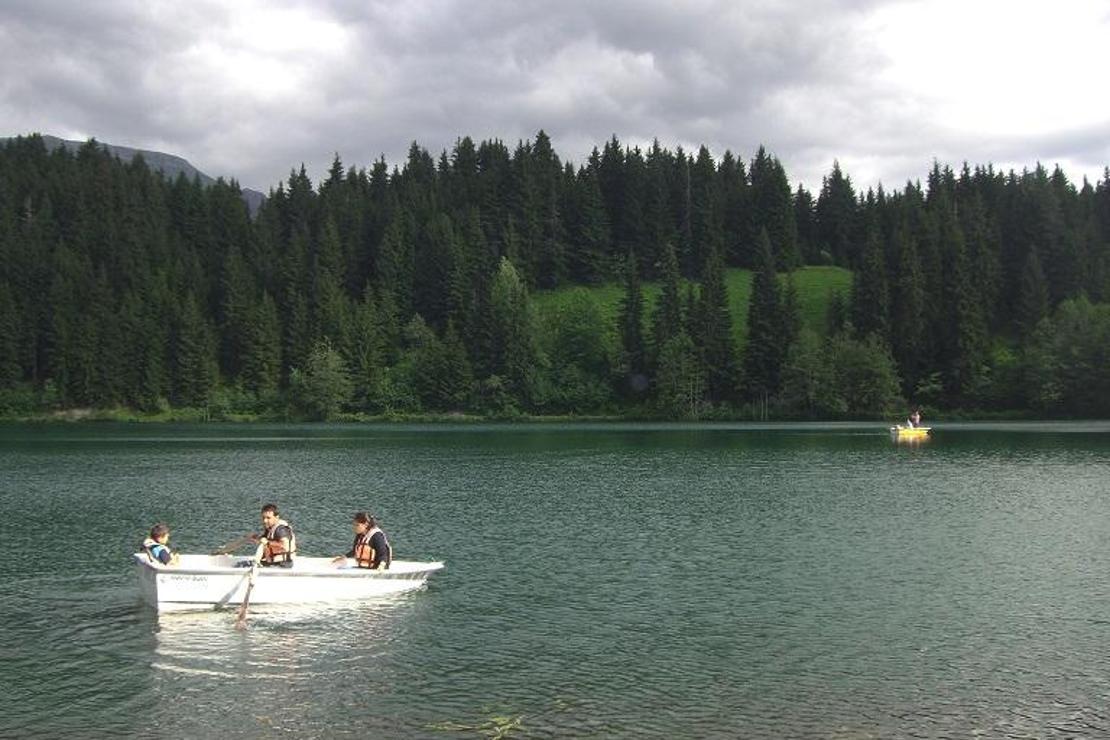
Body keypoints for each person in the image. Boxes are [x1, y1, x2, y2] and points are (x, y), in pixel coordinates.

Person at [250, 503, 297, 567]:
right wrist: (257, 538)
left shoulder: (281, 529)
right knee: (246, 564)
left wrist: (267, 542)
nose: (265, 521)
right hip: (272, 561)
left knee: (247, 565)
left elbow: (285, 547)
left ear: (276, 517)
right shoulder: (270, 527)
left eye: (268, 518)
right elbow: (265, 539)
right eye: (263, 518)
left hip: (283, 564)